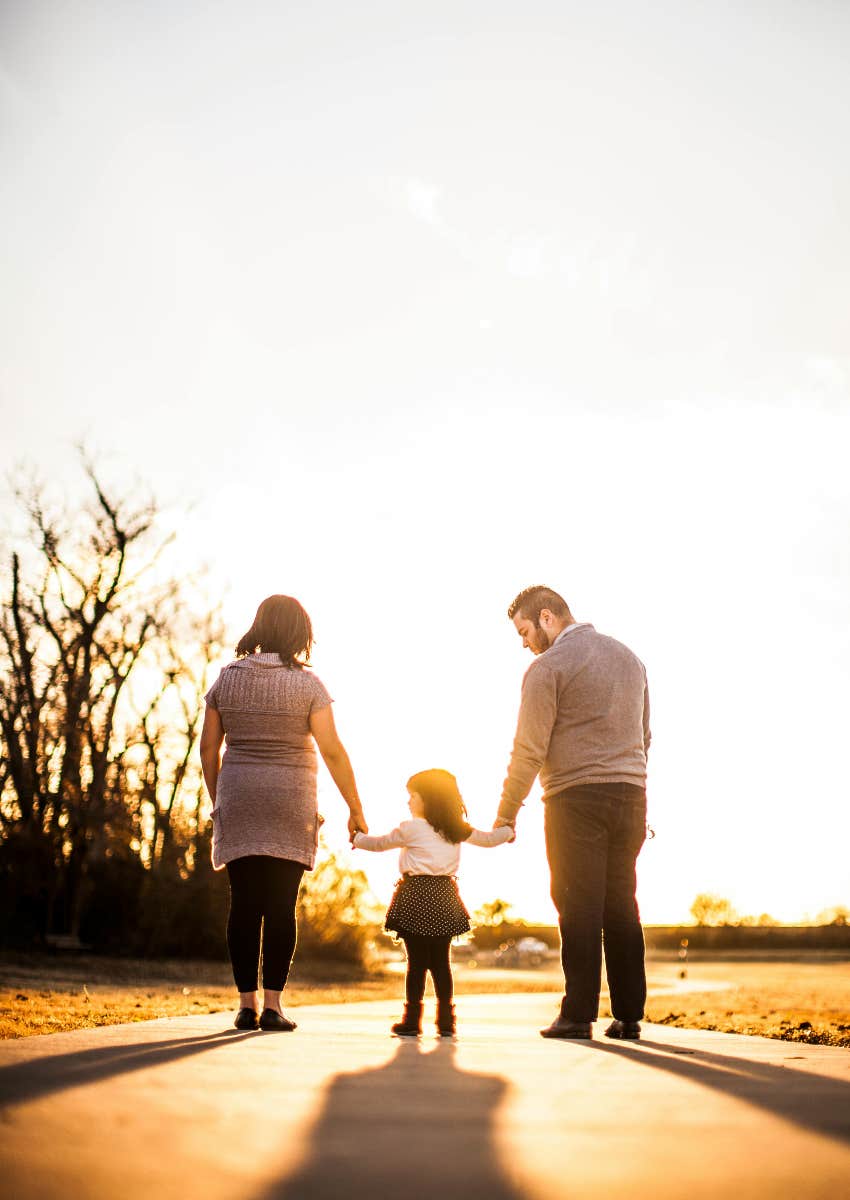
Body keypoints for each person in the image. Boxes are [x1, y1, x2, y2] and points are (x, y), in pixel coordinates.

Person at [200, 594, 368, 1033]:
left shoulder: (226, 679)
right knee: (280, 906)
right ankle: (273, 1006)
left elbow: (208, 748)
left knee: (244, 905)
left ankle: (245, 1005)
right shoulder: (309, 685)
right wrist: (354, 807)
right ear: (299, 633)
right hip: (290, 803)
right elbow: (331, 750)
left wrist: (221, 800)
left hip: (239, 798)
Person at [495, 585, 651, 1041]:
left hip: (574, 798)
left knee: (578, 905)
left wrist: (506, 815)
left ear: (546, 618)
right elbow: (645, 735)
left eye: (524, 632)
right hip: (631, 794)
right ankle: (627, 1015)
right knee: (622, 904)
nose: (524, 644)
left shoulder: (548, 668)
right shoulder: (630, 658)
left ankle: (577, 1014)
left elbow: (529, 750)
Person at [353, 768, 512, 1038]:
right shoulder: (455, 829)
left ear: (427, 798)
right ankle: (446, 1021)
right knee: (441, 962)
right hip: (444, 897)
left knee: (416, 963)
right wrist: (508, 831)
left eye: (412, 796)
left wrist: (356, 837)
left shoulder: (411, 827)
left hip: (415, 896)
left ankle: (412, 1021)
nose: (408, 801)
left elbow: (379, 844)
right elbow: (488, 839)